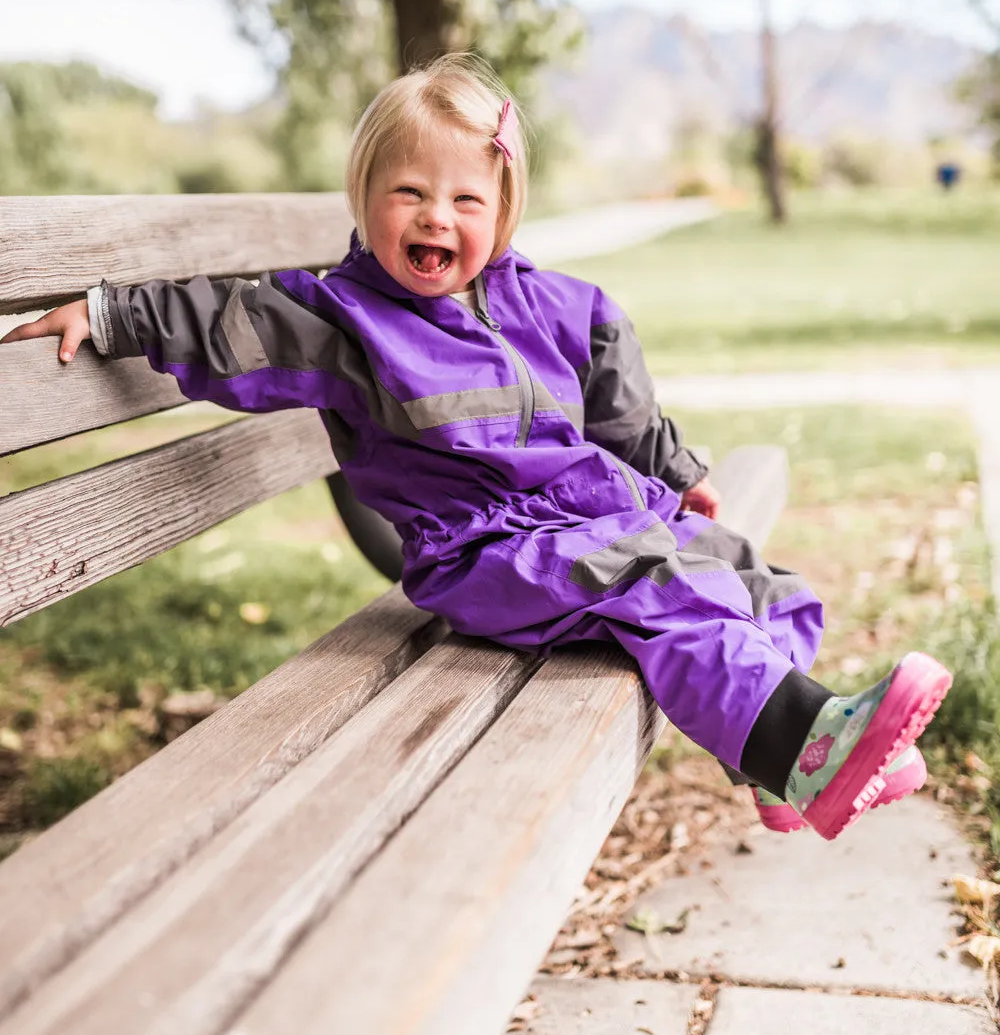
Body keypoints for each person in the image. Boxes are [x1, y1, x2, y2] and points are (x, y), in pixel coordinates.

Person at [1, 54, 952, 841]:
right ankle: (801, 742)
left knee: (746, 571)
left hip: (586, 523)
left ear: (503, 211)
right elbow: (231, 321)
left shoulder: (548, 303)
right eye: (407, 192)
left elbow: (614, 381)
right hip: (486, 553)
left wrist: (672, 470)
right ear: (366, 198)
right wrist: (112, 311)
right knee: (660, 588)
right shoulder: (345, 319)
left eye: (464, 198)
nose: (435, 217)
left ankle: (783, 758)